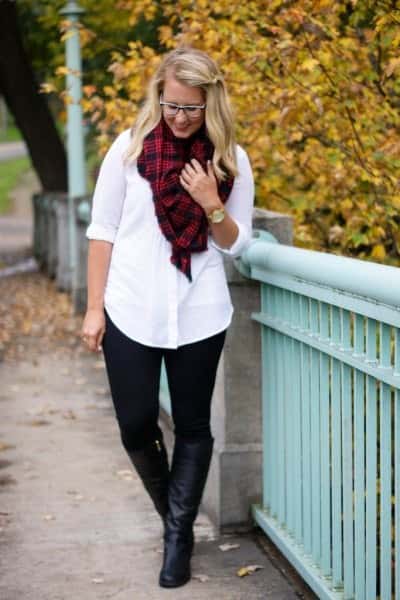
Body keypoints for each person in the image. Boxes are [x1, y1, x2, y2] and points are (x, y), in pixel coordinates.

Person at [80, 46, 254, 589]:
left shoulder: (230, 161)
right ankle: (176, 517)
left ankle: (177, 538)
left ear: (211, 104)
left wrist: (210, 203)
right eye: (171, 105)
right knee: (136, 426)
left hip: (198, 309)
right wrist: (93, 308)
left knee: (195, 427)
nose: (179, 118)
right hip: (130, 306)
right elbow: (102, 230)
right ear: (159, 97)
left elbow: (235, 244)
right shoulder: (129, 152)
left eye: (191, 109)